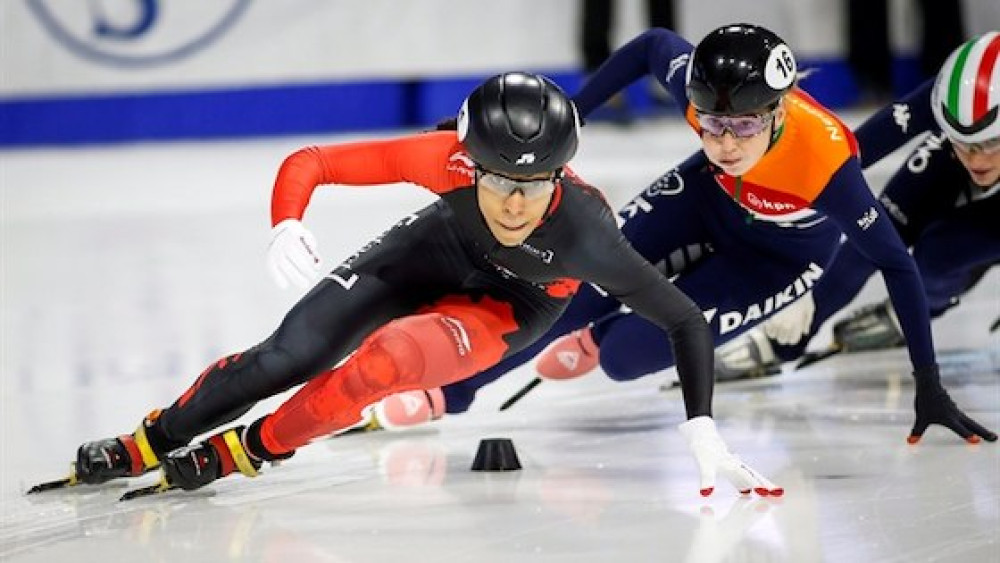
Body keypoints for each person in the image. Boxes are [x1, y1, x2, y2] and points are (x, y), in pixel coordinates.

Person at [50, 72, 778, 497]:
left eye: (535, 182)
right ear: (470, 163)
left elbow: (683, 319)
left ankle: (253, 447)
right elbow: (313, 162)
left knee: (387, 361)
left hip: (506, 306)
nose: (516, 202)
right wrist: (286, 222)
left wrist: (701, 426)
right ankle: (153, 437)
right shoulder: (446, 160)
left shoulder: (587, 233)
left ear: (560, 174)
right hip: (429, 251)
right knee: (286, 354)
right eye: (498, 178)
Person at [366, 24, 996, 445]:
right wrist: (575, 114)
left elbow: (897, 264)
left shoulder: (827, 165)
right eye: (711, 124)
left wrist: (929, 384)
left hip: (780, 256)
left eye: (743, 128)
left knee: (624, 356)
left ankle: (605, 336)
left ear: (778, 112)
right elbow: (651, 45)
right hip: (705, 198)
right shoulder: (705, 102)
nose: (724, 142)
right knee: (566, 290)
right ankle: (453, 393)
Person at [715, 31, 1000, 378]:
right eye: (961, 140)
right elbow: (846, 160)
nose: (975, 157)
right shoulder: (948, 100)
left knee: (944, 252)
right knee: (886, 226)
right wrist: (800, 280)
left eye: (990, 142)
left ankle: (923, 304)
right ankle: (781, 341)